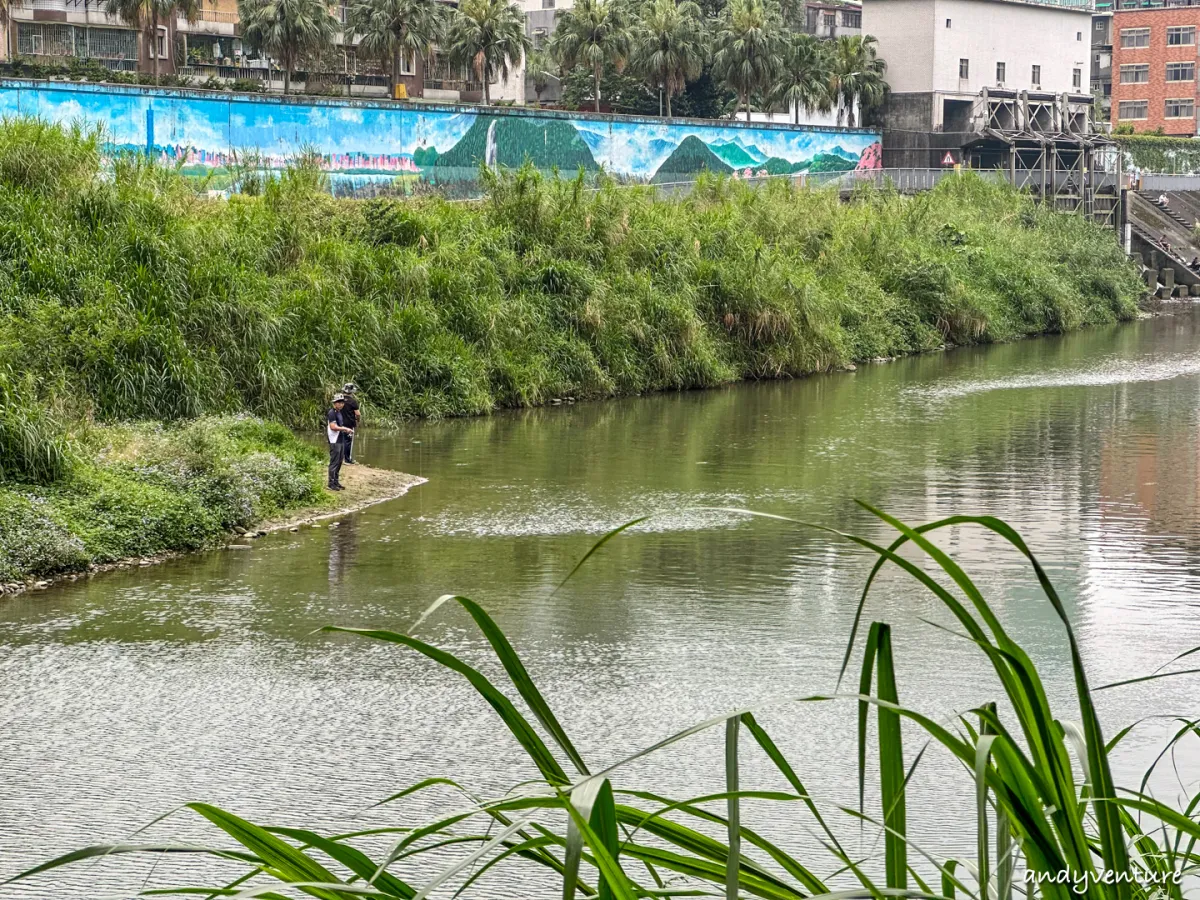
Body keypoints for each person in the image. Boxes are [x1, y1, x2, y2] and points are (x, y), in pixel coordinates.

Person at [325, 393, 354, 491]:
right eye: (339, 403)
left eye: (342, 403)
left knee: (340, 461)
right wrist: (345, 429)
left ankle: (336, 482)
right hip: (334, 440)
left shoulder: (339, 412)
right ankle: (330, 483)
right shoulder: (332, 413)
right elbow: (333, 427)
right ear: (334, 403)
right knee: (334, 462)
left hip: (340, 439)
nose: (341, 404)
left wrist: (344, 430)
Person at [341, 383, 361, 464]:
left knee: (341, 441)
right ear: (352, 392)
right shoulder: (353, 401)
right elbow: (358, 414)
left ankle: (340, 459)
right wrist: (358, 420)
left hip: (339, 423)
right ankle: (347, 459)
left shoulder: (340, 399)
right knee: (348, 441)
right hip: (349, 424)